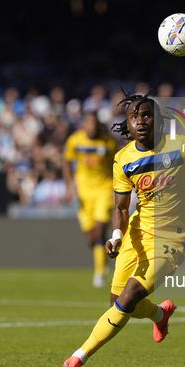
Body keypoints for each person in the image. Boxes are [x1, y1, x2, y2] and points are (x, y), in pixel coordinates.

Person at [61, 89, 185, 367]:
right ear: (127, 125)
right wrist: (117, 235)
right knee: (118, 298)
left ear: (159, 122)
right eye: (134, 116)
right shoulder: (122, 160)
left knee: (128, 297)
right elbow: (120, 206)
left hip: (174, 238)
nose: (140, 120)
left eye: (147, 115)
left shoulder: (181, 147)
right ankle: (159, 315)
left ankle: (78, 357)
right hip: (138, 234)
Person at [62, 112, 118, 288]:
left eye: (94, 123)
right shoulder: (75, 141)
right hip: (84, 194)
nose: (92, 126)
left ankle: (99, 273)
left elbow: (117, 164)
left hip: (104, 190)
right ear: (84, 125)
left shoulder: (108, 142)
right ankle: (103, 261)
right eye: (88, 123)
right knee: (91, 238)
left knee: (100, 230)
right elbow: (66, 161)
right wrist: (70, 186)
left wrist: (116, 189)